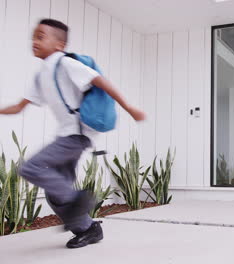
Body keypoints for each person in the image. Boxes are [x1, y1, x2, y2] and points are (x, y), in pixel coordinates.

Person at [0, 19, 145, 248]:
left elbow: (102, 82)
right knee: (55, 194)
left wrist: (129, 108)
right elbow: (18, 107)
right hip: (67, 136)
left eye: (41, 36)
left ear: (59, 45)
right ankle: (88, 229)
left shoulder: (66, 64)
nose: (34, 41)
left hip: (77, 136)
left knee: (31, 167)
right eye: (34, 36)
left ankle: (78, 200)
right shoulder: (41, 76)